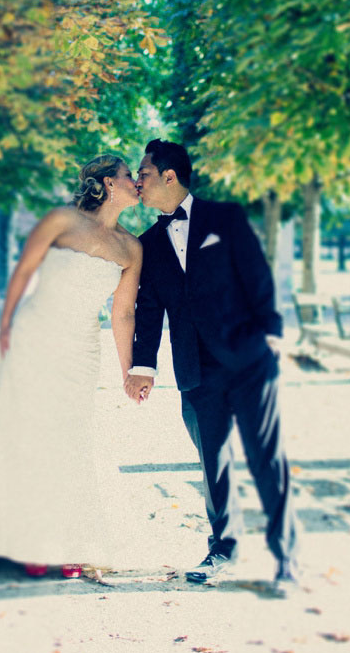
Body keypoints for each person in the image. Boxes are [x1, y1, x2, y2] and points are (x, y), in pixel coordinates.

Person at [0, 154, 142, 578]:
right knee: (29, 433)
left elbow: (123, 313)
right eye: (129, 175)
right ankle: (30, 539)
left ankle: (70, 539)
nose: (136, 182)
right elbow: (23, 271)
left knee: (72, 437)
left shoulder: (132, 247)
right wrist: (4, 326)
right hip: (35, 337)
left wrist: (127, 371)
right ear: (108, 184)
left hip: (81, 349)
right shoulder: (60, 221)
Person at [125, 139, 298, 585]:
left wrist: (272, 335)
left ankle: (286, 558)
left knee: (266, 458)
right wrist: (142, 366)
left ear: (169, 176)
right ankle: (223, 550)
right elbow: (148, 311)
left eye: (143, 173)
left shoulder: (226, 218)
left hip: (248, 362)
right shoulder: (146, 245)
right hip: (195, 372)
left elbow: (257, 279)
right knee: (213, 463)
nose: (137, 182)